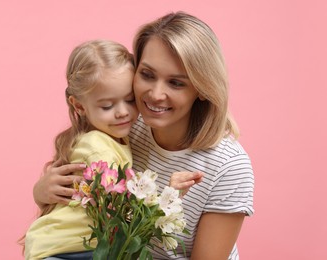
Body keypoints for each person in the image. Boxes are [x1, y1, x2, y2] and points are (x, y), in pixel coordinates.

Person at [33, 11, 254, 260]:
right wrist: (42, 192)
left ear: (202, 88)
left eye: (176, 83)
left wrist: (166, 200)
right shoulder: (124, 128)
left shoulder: (228, 165)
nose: (155, 94)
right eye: (147, 75)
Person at [24, 39, 139, 260]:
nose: (123, 112)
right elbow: (120, 207)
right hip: (66, 250)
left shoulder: (115, 136)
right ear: (79, 106)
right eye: (107, 106)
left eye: (130, 99)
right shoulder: (97, 147)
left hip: (75, 247)